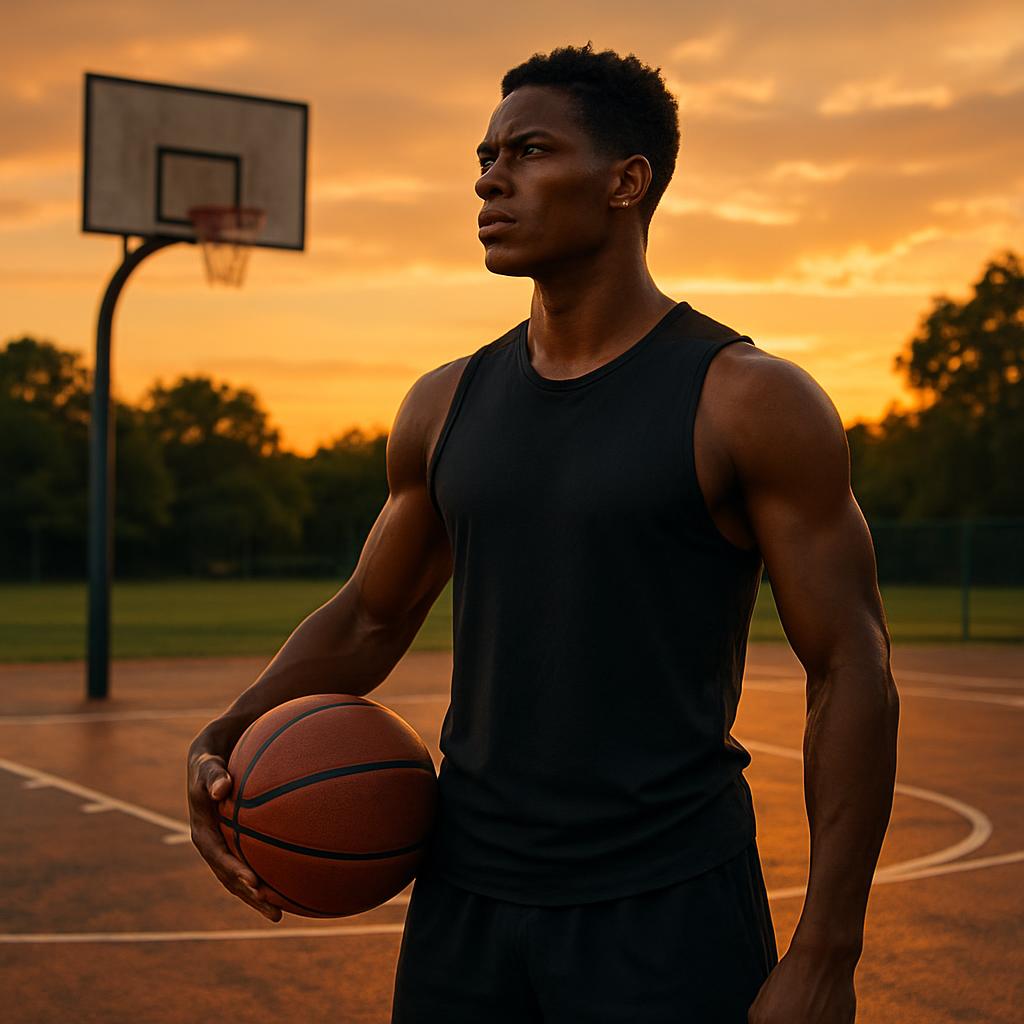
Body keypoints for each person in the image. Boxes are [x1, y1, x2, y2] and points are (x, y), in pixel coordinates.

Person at [188, 41, 900, 1024]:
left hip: (667, 901)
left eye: (528, 151)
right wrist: (226, 735)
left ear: (625, 181)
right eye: (486, 157)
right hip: (466, 898)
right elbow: (367, 618)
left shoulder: (747, 399)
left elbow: (851, 666)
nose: (490, 178)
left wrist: (826, 950)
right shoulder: (444, 403)